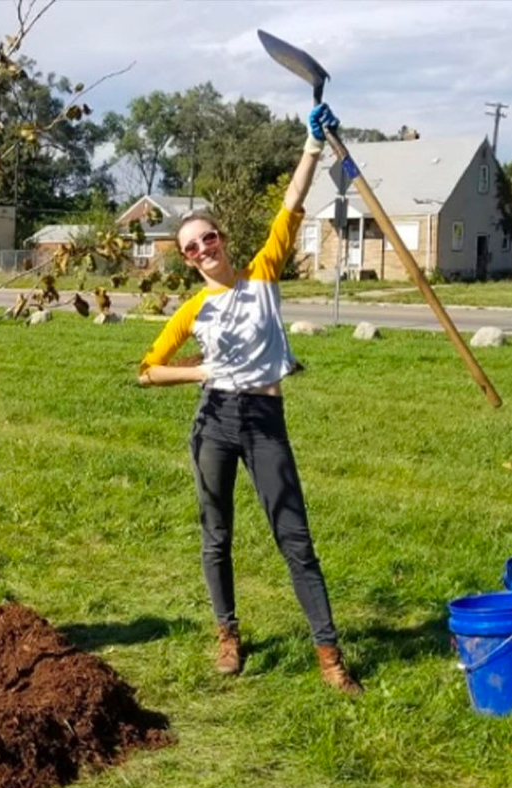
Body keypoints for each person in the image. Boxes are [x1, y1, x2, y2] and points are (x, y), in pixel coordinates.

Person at [138, 104, 362, 694]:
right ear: (186, 261)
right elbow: (147, 370)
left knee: (295, 537)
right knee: (217, 534)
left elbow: (290, 206)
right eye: (191, 248)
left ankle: (329, 654)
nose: (203, 249)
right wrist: (201, 373)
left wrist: (311, 148)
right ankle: (228, 635)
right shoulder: (191, 309)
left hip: (265, 420)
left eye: (208, 238)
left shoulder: (263, 274)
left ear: (223, 239)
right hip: (215, 421)